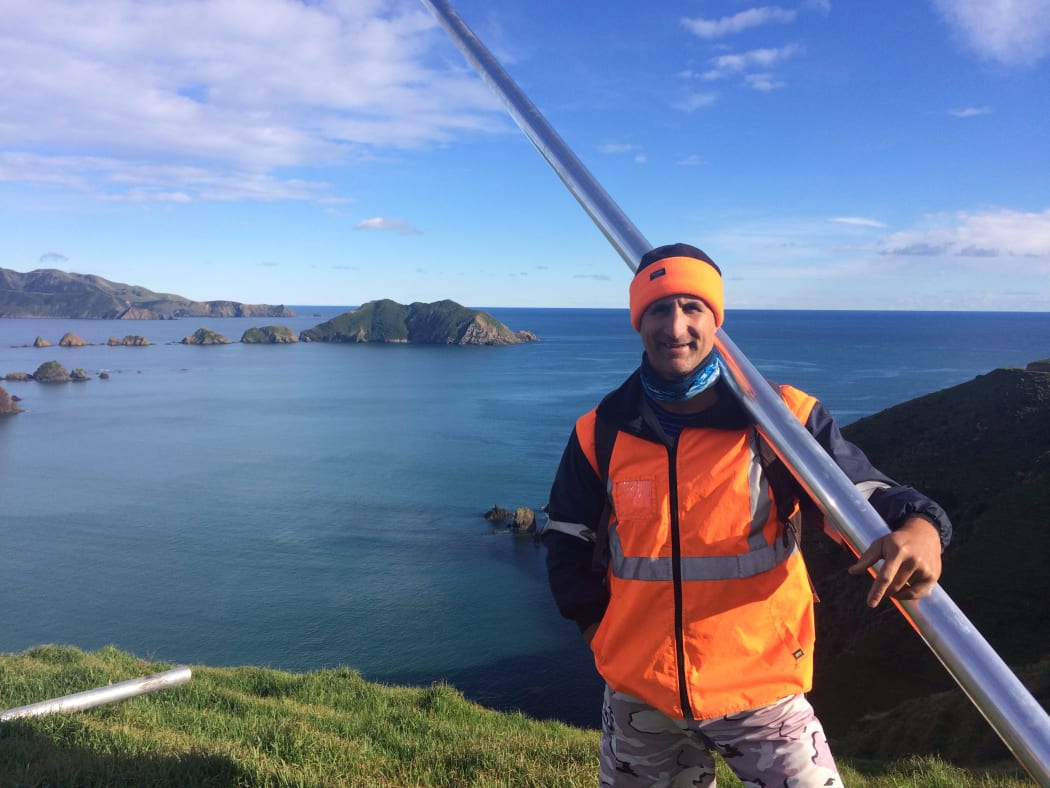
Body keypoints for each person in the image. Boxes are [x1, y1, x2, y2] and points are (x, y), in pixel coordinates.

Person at [541, 243, 952, 787]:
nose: (676, 325)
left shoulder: (780, 419)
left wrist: (921, 527)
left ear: (717, 319)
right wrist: (599, 632)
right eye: (659, 309)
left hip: (762, 691)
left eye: (693, 307)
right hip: (640, 695)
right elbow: (566, 537)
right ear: (638, 321)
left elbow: (863, 491)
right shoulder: (602, 430)